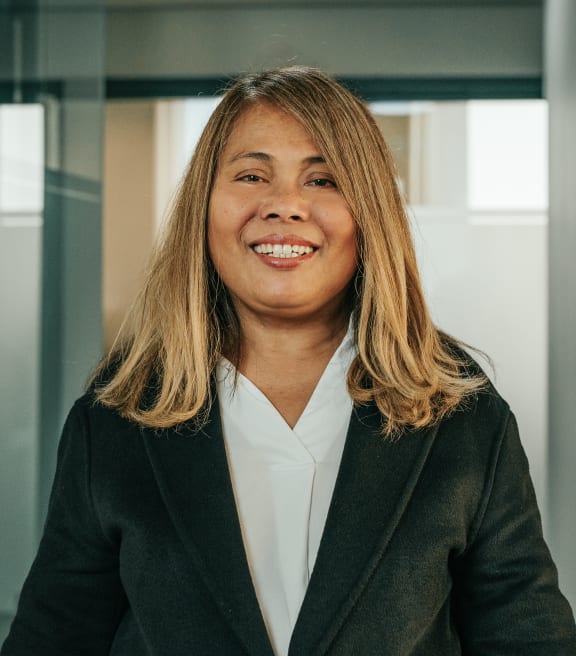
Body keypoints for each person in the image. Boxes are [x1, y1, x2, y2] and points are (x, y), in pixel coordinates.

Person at [2, 66, 575, 656]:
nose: (284, 206)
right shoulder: (117, 416)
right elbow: (55, 637)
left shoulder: (462, 413)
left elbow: (527, 635)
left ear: (369, 213)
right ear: (204, 206)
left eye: (324, 179)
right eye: (251, 175)